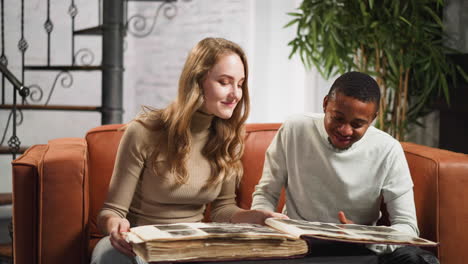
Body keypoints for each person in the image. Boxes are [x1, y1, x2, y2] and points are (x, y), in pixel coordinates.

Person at [91, 37, 284, 264]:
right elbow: (111, 211)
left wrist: (254, 216)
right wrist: (116, 226)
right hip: (142, 245)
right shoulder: (143, 131)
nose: (236, 94)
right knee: (109, 256)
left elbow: (222, 210)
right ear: (197, 81)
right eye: (224, 82)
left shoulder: (230, 139)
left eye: (240, 84)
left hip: (195, 247)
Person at [251, 72, 439, 264]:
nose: (345, 130)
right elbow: (266, 194)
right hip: (299, 246)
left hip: (357, 251)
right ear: (325, 104)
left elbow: (407, 227)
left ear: (373, 118)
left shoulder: (388, 150)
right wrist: (262, 229)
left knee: (416, 260)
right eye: (338, 118)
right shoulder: (294, 129)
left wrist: (364, 237)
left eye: (357, 124)